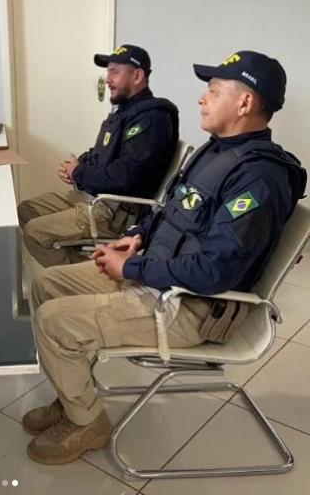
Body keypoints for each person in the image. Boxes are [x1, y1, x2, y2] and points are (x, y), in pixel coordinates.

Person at [22, 50, 306, 465]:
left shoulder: (259, 178)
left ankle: (87, 422)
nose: (201, 100)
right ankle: (72, 397)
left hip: (190, 306)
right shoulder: (215, 152)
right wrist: (136, 238)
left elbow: (215, 271)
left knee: (55, 322)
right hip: (158, 272)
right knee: (46, 285)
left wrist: (132, 268)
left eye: (212, 91)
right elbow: (168, 209)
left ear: (244, 103)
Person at [17, 45, 179, 268]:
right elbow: (101, 154)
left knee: (36, 233)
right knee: (27, 210)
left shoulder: (152, 119)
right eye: (108, 71)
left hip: (115, 211)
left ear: (138, 75)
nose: (108, 79)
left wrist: (79, 173)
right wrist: (78, 166)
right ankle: (83, 267)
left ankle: (81, 281)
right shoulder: (125, 113)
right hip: (94, 196)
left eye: (114, 71)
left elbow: (125, 177)